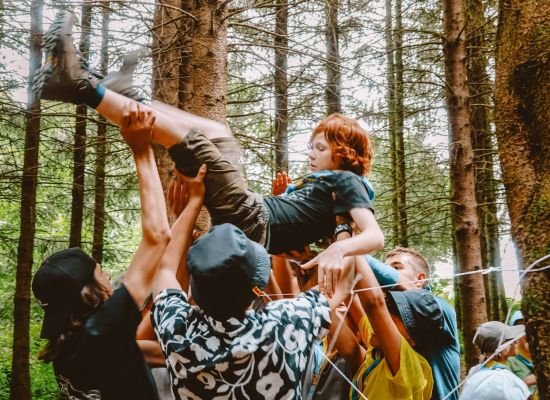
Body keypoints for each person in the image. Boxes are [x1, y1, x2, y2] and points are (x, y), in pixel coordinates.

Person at [32, 10, 384, 296]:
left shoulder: (349, 182)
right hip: (252, 211)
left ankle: (82, 86)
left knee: (194, 144)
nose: (311, 153)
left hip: (253, 220)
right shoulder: (329, 184)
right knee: (218, 135)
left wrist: (339, 248)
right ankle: (129, 96)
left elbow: (374, 236)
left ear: (345, 153)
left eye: (320, 148)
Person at [147, 162, 357, 399]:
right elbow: (344, 282)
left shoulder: (177, 331)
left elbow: (165, 267)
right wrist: (343, 226)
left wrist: (193, 204)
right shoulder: (284, 324)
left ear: (194, 286)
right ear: (256, 288)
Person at [32, 102, 171, 399]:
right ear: (88, 292)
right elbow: (158, 237)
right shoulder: (103, 330)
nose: (107, 273)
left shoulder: (64, 348)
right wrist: (141, 150)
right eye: (99, 271)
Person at [332, 255, 439, 399]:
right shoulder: (377, 350)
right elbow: (351, 299)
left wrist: (347, 244)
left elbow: (374, 304)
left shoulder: (411, 366)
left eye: (396, 315)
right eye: (388, 307)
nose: (384, 319)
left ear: (412, 340)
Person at [365, 248, 460, 400]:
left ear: (419, 279)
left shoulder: (437, 308)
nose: (385, 272)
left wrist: (347, 250)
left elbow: (374, 302)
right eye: (385, 266)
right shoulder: (392, 313)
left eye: (396, 267)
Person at [460, 321, 530, 400]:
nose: (516, 342)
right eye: (512, 340)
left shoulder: (474, 370)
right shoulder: (505, 380)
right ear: (502, 348)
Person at [507, 311, 537, 394]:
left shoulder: (545, 358)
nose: (526, 333)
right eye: (521, 328)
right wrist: (525, 383)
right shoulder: (509, 362)